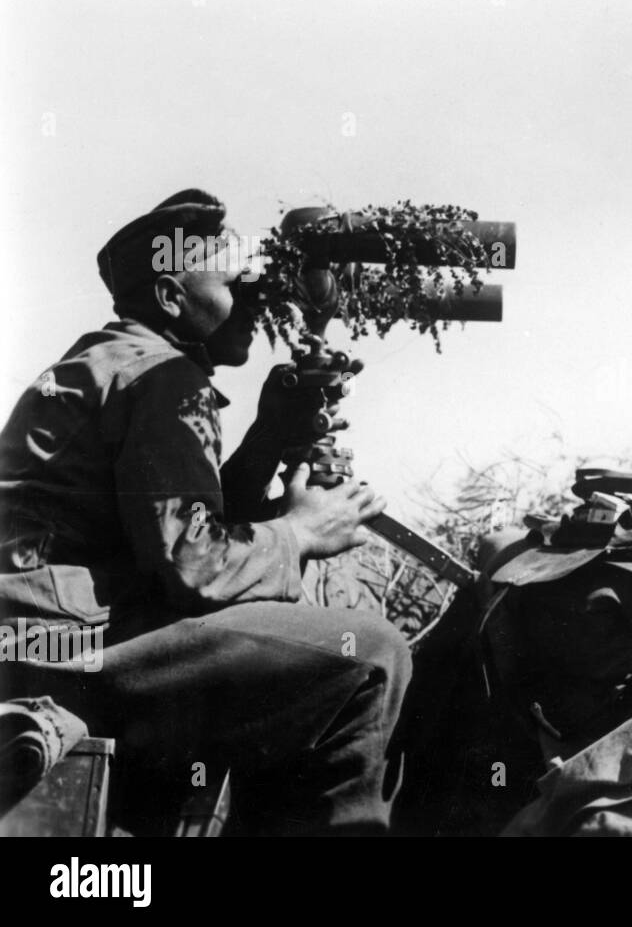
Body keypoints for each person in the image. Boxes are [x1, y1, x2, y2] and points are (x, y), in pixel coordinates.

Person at [0, 189, 410, 834]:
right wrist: (300, 531)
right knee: (367, 657)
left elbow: (173, 532)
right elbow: (198, 570)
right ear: (170, 297)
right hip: (71, 651)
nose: (256, 302)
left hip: (50, 636)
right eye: (235, 285)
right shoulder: (159, 378)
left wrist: (269, 436)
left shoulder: (121, 363)